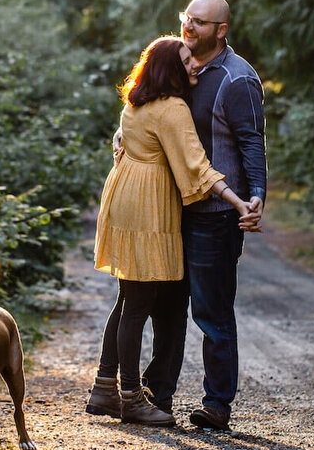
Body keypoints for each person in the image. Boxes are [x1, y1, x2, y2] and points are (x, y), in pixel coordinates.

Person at [87, 36, 255, 427]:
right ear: (170, 69)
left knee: (128, 295)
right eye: (186, 60)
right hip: (148, 205)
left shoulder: (136, 101)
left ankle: (104, 388)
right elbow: (197, 165)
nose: (194, 63)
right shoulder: (172, 107)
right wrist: (238, 201)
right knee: (140, 301)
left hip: (124, 193)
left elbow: (126, 139)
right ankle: (131, 397)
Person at [142, 0, 267, 431]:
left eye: (200, 22)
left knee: (211, 312)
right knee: (167, 309)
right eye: (186, 19)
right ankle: (157, 396)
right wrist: (122, 139)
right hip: (169, 209)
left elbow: (252, 142)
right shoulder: (178, 66)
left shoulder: (238, 79)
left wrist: (256, 197)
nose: (189, 27)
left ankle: (217, 404)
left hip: (215, 212)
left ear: (222, 30)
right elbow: (147, 114)